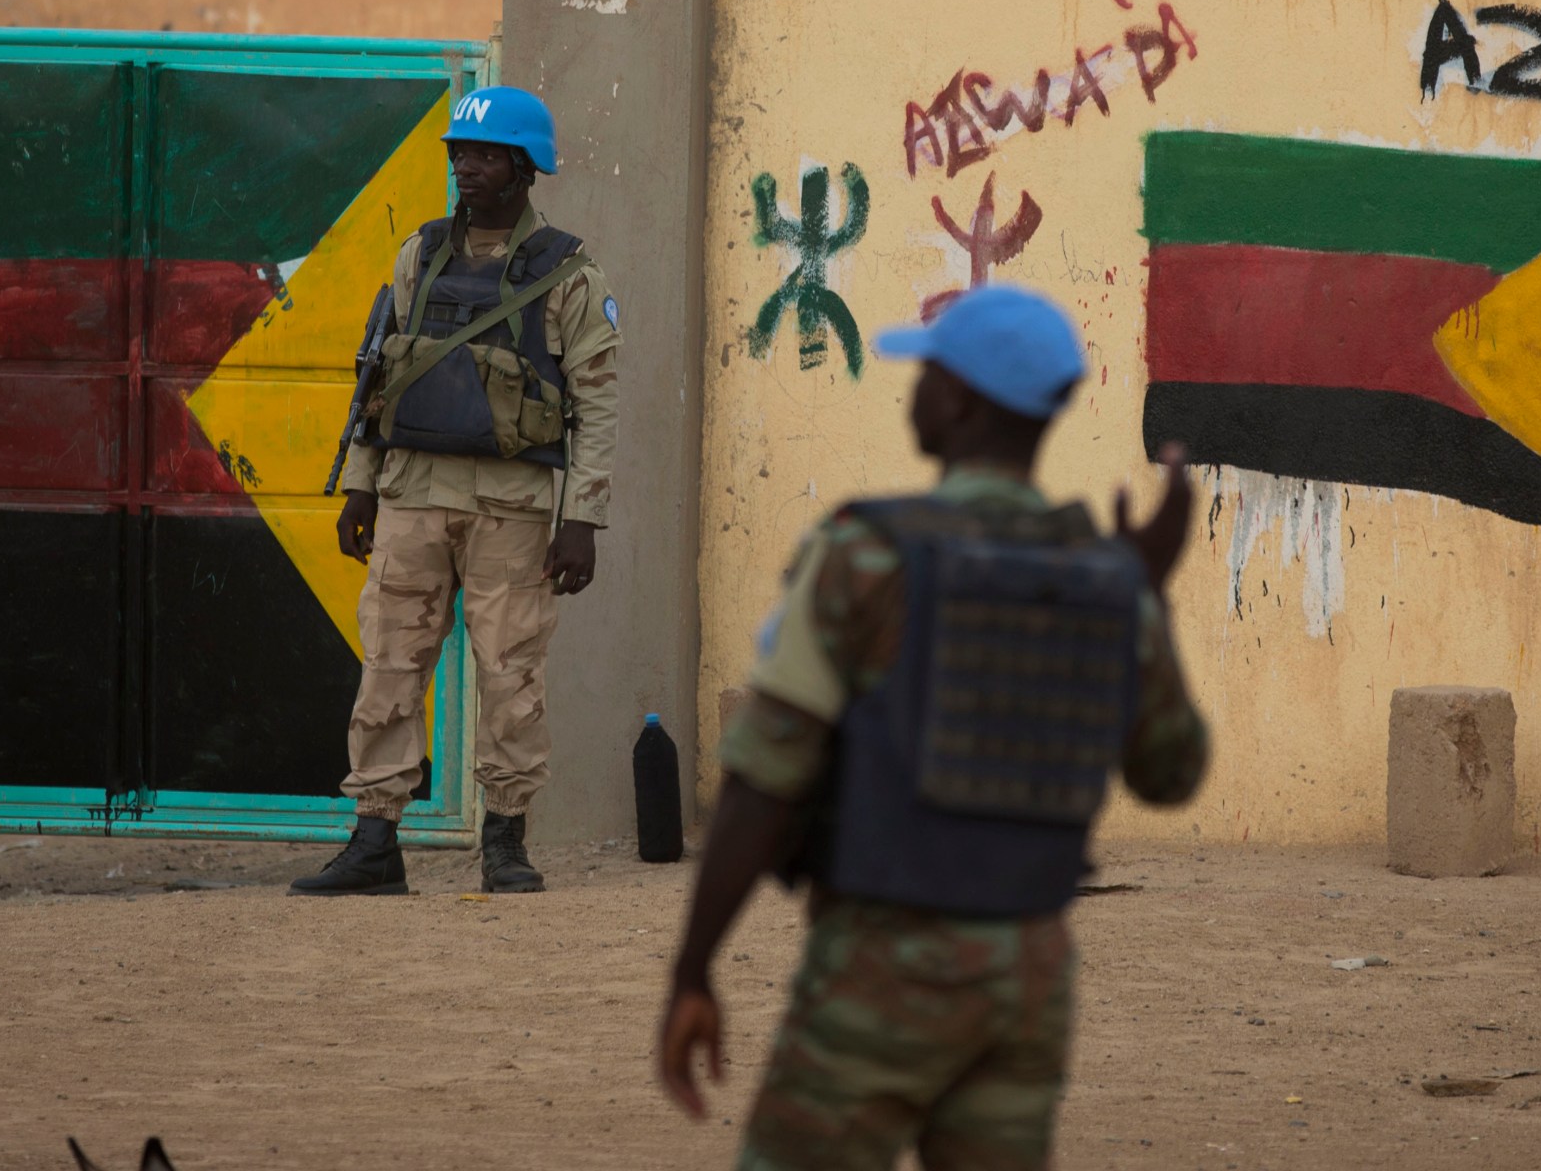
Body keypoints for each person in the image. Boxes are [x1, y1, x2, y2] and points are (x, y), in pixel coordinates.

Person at [657, 284, 1209, 1169]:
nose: (913, 391)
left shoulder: (865, 555)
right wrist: (1145, 589)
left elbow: (765, 779)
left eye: (926, 375)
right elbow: (1171, 774)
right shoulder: (1108, 579)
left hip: (883, 966)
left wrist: (694, 968)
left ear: (955, 401)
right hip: (1028, 977)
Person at [289, 85, 621, 898]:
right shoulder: (422, 253)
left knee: (510, 674)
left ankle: (505, 841)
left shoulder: (569, 272)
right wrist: (361, 487)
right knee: (390, 664)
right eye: (459, 154)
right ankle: (375, 840)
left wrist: (582, 519)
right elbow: (378, 374)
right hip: (412, 493)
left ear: (525, 167)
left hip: (511, 506)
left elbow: (597, 404)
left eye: (486, 155)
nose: (466, 168)